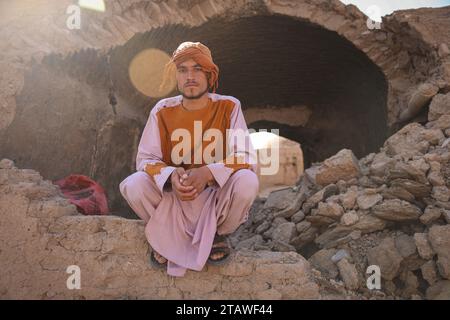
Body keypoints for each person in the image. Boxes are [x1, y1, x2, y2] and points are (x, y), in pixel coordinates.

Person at [119, 41, 259, 277]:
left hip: (214, 198)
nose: (190, 76)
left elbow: (244, 156)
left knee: (247, 181)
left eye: (197, 69)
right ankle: (166, 235)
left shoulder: (228, 106)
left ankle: (217, 235)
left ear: (209, 73)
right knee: (134, 184)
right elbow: (145, 159)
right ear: (176, 76)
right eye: (182, 70)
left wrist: (207, 173)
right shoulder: (162, 110)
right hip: (175, 198)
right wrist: (170, 175)